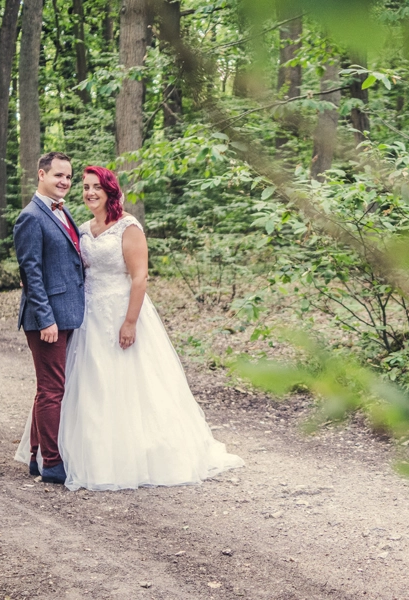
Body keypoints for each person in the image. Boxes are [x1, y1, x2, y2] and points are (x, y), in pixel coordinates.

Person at [24, 165, 243, 491]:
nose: (89, 192)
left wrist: (129, 322)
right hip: (87, 318)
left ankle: (137, 454)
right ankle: (74, 453)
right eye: (85, 187)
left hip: (121, 312)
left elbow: (140, 277)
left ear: (110, 190)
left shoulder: (128, 227)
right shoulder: (81, 227)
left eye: (96, 186)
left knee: (129, 384)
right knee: (88, 385)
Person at [13, 151, 84, 485]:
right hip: (47, 318)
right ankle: (53, 464)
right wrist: (45, 319)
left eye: (69, 177)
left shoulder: (62, 211)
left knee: (48, 388)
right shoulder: (31, 216)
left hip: (67, 312)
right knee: (52, 389)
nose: (65, 182)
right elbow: (32, 272)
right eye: (58, 175)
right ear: (41, 174)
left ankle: (35, 455)